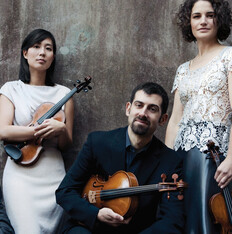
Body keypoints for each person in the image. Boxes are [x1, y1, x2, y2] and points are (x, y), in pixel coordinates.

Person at [165, 0, 232, 233]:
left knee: (209, 219)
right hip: (182, 157)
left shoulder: (231, 55)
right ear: (189, 22)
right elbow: (175, 120)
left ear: (218, 19)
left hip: (211, 157)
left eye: (209, 15)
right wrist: (167, 162)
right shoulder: (183, 69)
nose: (203, 21)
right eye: (196, 16)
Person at [56, 82, 184, 233]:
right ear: (128, 109)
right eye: (139, 105)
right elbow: (65, 191)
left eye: (152, 109)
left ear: (163, 119)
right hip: (91, 228)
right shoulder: (97, 142)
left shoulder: (171, 162)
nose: (143, 113)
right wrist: (95, 214)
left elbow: (172, 221)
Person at [0, 29, 74, 234]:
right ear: (25, 53)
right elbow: (3, 131)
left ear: (53, 56)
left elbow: (67, 144)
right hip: (20, 171)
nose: (42, 53)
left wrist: (62, 129)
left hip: (53, 173)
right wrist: (38, 131)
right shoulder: (11, 89)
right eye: (36, 47)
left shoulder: (64, 93)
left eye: (48, 49)